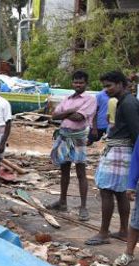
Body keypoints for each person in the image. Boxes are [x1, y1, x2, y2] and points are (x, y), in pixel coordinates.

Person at [86, 71, 139, 247]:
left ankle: (104, 232)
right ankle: (123, 230)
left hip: (120, 150)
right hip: (121, 149)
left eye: (109, 86)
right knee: (119, 192)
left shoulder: (128, 103)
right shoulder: (121, 102)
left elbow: (136, 132)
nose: (106, 90)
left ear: (121, 84)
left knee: (107, 190)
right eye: (104, 86)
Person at [47, 70, 96, 221]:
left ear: (86, 84)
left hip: (78, 138)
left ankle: (83, 207)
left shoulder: (90, 99)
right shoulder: (67, 98)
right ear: (72, 83)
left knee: (81, 172)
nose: (78, 85)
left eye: (81, 82)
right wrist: (71, 110)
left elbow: (78, 117)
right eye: (76, 82)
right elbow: (54, 115)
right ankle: (62, 201)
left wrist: (66, 113)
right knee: (64, 170)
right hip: (64, 136)